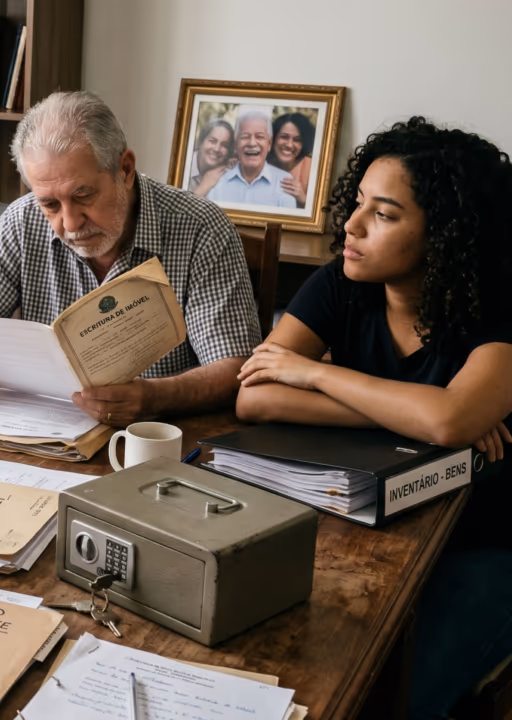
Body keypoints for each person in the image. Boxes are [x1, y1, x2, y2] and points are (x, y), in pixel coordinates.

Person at [234, 117, 512, 720]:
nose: (351, 227)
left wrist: (316, 373)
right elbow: (253, 398)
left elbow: (448, 421)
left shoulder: (497, 306)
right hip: (367, 523)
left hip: (483, 543)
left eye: (383, 215)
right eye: (357, 203)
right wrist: (417, 410)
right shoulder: (343, 281)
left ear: (445, 235)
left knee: (392, 702)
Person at [0, 91, 261, 426]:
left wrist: (152, 397)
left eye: (82, 195)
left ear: (125, 169)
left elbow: (234, 368)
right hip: (39, 430)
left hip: (156, 435)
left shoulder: (200, 228)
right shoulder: (22, 220)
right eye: (51, 205)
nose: (70, 224)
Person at [206, 106, 298, 208]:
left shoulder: (285, 182)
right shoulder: (217, 180)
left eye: (259, 136)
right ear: (236, 144)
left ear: (269, 144)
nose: (252, 143)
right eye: (245, 136)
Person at [268, 112, 316, 208]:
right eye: (284, 137)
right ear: (273, 139)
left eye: (297, 140)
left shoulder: (314, 169)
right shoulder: (262, 163)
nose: (289, 145)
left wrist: (303, 200)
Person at [189, 118, 235, 197]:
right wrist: (204, 187)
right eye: (212, 141)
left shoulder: (225, 170)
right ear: (201, 142)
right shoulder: (183, 167)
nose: (217, 149)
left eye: (224, 145)